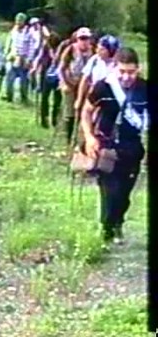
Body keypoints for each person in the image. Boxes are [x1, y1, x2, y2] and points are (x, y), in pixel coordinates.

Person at [81, 47, 148, 244]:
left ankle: (118, 222)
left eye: (131, 72)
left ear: (138, 69)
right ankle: (107, 228)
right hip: (106, 146)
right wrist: (89, 137)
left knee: (125, 193)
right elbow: (86, 112)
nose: (126, 77)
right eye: (122, 72)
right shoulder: (103, 87)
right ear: (115, 69)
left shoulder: (145, 89)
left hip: (132, 146)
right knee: (110, 191)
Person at [59, 27, 95, 146]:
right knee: (70, 112)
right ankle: (69, 138)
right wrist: (65, 83)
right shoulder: (71, 50)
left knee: (84, 112)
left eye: (86, 38)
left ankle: (80, 138)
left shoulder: (93, 51)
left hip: (85, 86)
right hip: (70, 83)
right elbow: (62, 68)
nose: (84, 41)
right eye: (82, 38)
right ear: (77, 39)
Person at [75, 34, 120, 113]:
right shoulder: (95, 60)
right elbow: (84, 80)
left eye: (102, 49)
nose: (98, 51)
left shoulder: (118, 64)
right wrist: (79, 99)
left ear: (111, 51)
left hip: (108, 99)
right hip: (92, 96)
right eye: (97, 48)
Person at [3, 12, 36, 105]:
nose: (18, 23)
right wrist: (6, 54)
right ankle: (9, 96)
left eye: (20, 21)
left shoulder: (29, 33)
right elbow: (9, 42)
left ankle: (24, 97)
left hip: (24, 58)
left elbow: (31, 47)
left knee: (24, 80)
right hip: (13, 57)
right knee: (9, 77)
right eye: (17, 21)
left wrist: (29, 59)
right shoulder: (13, 31)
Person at [33, 32, 63, 129]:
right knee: (45, 97)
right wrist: (35, 68)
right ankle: (44, 119)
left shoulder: (61, 50)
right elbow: (39, 58)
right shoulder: (45, 47)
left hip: (57, 76)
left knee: (56, 99)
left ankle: (54, 119)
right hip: (45, 75)